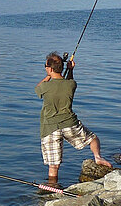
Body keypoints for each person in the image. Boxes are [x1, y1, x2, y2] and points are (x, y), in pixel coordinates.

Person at [35, 52, 111, 186]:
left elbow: (37, 89)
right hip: (70, 124)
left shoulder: (45, 87)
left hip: (50, 128)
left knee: (53, 166)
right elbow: (67, 82)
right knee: (93, 139)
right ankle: (98, 157)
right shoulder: (71, 85)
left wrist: (48, 75)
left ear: (50, 69)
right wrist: (70, 70)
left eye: (46, 66)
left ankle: (52, 188)